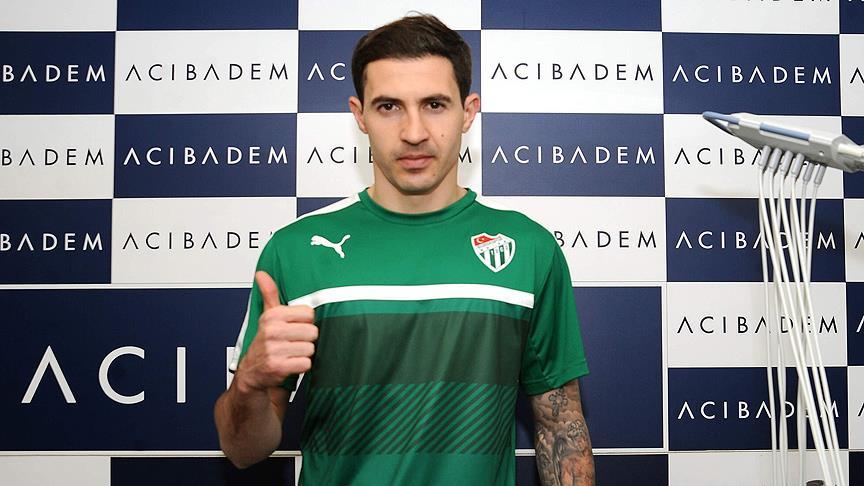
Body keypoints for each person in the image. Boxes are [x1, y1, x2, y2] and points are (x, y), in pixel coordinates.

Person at [214, 14, 594, 485]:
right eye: (389, 106)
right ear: (360, 115)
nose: (414, 132)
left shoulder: (528, 248)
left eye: (434, 104)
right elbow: (242, 451)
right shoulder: (296, 250)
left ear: (468, 111)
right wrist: (249, 384)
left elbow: (561, 427)